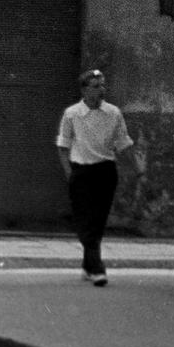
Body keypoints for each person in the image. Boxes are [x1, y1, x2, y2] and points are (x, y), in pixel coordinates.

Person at [57, 68, 145, 287]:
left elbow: (124, 142)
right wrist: (69, 172)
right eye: (96, 86)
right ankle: (97, 267)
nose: (101, 90)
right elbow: (63, 145)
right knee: (84, 219)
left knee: (98, 219)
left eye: (103, 85)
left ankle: (89, 264)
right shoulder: (72, 114)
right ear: (84, 90)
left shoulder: (113, 113)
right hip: (81, 171)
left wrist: (137, 168)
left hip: (105, 170)